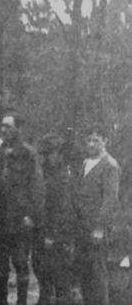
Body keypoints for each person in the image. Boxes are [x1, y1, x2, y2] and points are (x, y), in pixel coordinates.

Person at [0, 112, 45, 305]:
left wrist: (32, 216)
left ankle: (21, 301)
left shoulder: (29, 153)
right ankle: (1, 299)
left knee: (20, 261)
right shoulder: (2, 150)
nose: (4, 130)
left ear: (18, 129)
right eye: (2, 126)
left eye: (8, 126)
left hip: (20, 217)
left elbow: (38, 186)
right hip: (2, 216)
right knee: (0, 259)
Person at [72, 124, 120, 305]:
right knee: (83, 271)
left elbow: (110, 201)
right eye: (89, 140)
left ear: (105, 141)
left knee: (97, 273)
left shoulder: (110, 166)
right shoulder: (85, 162)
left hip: (95, 229)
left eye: (96, 141)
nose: (91, 144)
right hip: (81, 226)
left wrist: (99, 228)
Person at [33, 133, 78, 305]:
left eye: (48, 154)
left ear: (58, 154)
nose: (44, 158)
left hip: (57, 234)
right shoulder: (44, 174)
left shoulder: (62, 178)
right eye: (42, 155)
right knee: (41, 269)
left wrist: (52, 234)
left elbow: (62, 210)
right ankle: (44, 299)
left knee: (59, 274)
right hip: (42, 230)